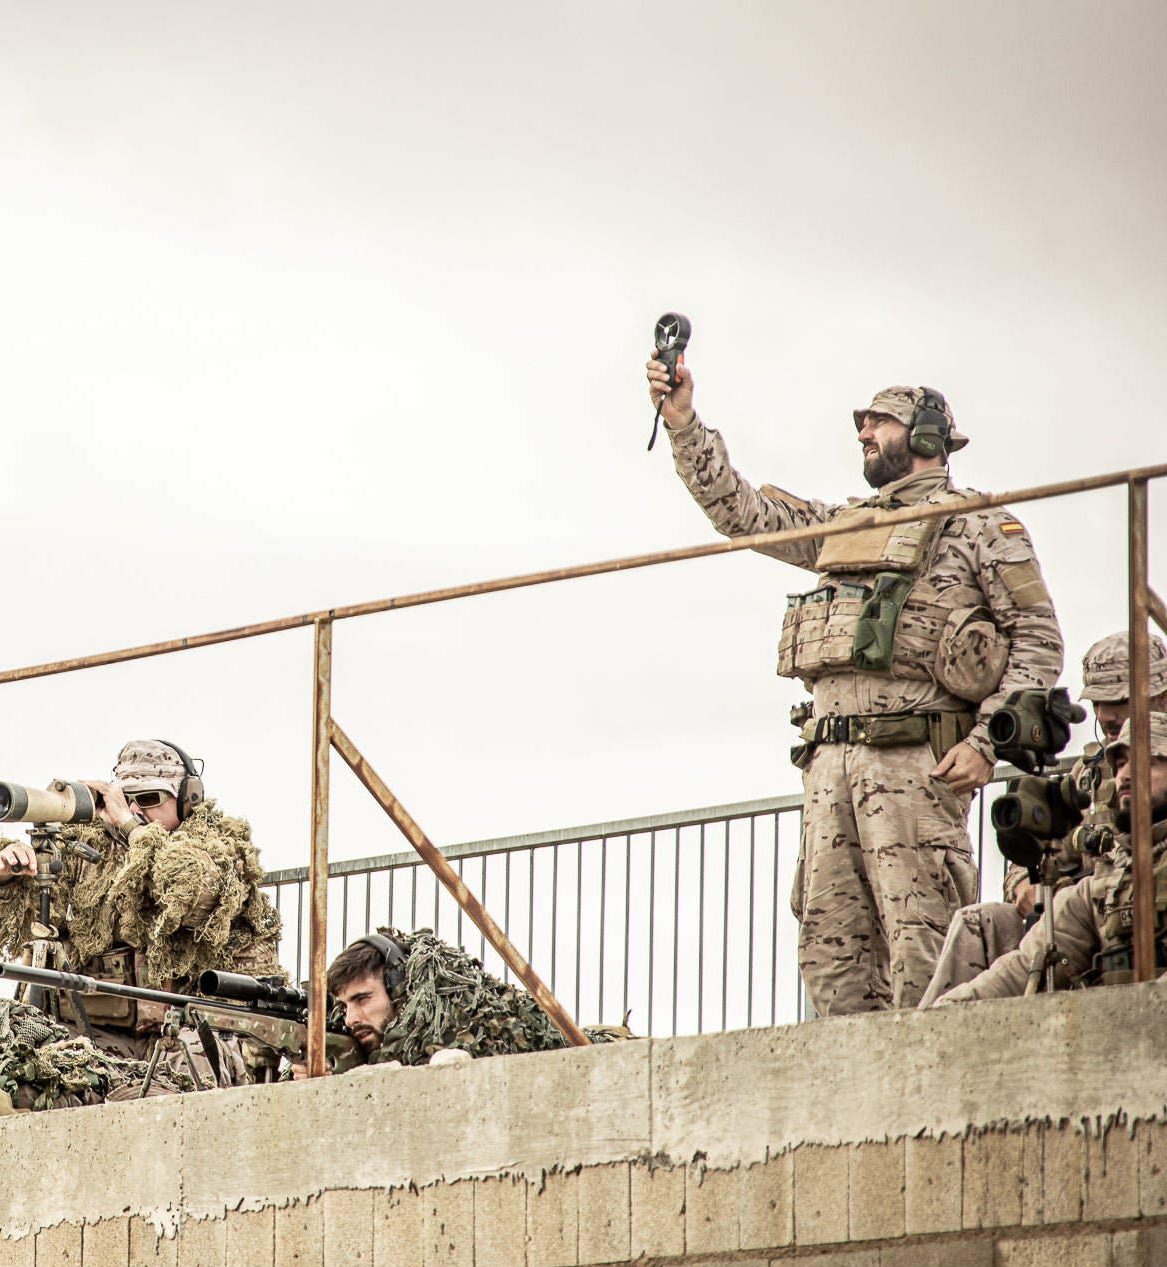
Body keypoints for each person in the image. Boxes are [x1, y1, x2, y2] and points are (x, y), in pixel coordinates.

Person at [649, 358, 1063, 1014]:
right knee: (831, 956)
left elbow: (1038, 642)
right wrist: (683, 425)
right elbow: (743, 511)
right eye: (862, 423)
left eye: (881, 421)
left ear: (928, 438)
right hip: (828, 773)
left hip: (915, 771)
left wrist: (987, 743)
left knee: (924, 955)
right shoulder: (844, 523)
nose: (865, 431)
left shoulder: (981, 525)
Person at [0, 739, 280, 1080]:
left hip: (188, 1034)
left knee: (190, 1075)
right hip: (99, 1037)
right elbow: (16, 920)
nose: (133, 808)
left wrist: (131, 826)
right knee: (15, 1068)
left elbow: (192, 891)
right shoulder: (84, 851)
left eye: (147, 799)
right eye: (124, 800)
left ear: (189, 798)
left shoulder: (217, 843)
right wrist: (3, 875)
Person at [920, 630, 1167, 1004]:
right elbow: (1042, 849)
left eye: (1119, 700)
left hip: (1135, 932)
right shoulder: (1090, 775)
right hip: (1083, 920)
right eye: (1097, 702)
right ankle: (927, 1032)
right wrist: (1025, 886)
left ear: (1162, 698)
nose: (1105, 715)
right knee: (978, 922)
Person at [325, 928, 575, 1068]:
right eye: (345, 1006)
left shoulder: (453, 1016)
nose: (351, 1019)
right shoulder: (368, 1036)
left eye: (362, 999)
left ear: (397, 986)